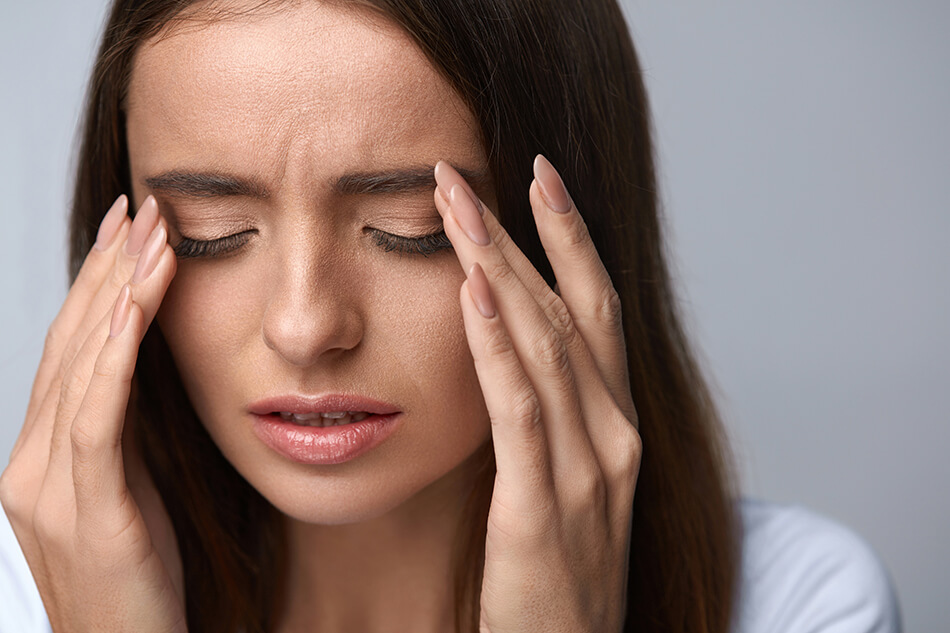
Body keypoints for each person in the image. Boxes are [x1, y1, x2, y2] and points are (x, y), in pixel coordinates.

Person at [0, 1, 901, 632]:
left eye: (413, 229)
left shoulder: (799, 605)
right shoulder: (23, 599)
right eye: (213, 232)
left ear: (566, 240)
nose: (306, 324)